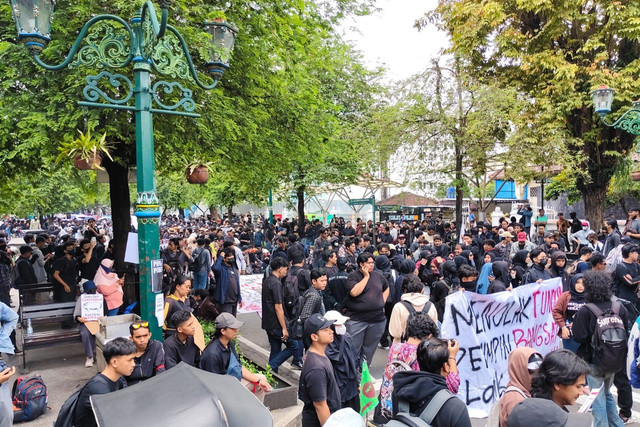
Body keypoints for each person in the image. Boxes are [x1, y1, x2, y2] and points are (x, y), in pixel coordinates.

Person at [572, 271, 628, 427]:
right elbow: (626, 331)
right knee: (607, 394)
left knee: (597, 399)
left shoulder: (586, 310)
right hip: (615, 360)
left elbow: (579, 337)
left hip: (594, 361)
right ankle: (617, 424)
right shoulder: (619, 307)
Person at [392, 337, 472, 427]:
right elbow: (454, 384)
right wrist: (452, 358)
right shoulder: (456, 408)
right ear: (445, 366)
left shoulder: (399, 390)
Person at [377, 312, 441, 423]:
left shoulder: (395, 347)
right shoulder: (422, 354)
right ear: (430, 336)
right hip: (408, 410)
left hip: (388, 404)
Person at [200, 313, 271, 403]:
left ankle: (255, 411)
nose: (236, 331)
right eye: (233, 329)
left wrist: (259, 381)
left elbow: (239, 366)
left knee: (262, 379)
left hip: (233, 381)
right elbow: (213, 385)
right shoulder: (212, 354)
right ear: (223, 331)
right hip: (222, 390)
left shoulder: (229, 344)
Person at [73, 337, 136, 427]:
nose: (133, 364)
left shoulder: (119, 380)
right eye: (130, 360)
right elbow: (113, 420)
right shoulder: (98, 388)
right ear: (114, 362)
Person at [345, 252, 389, 367]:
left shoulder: (378, 275)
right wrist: (366, 277)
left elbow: (386, 287)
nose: (371, 265)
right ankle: (352, 372)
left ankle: (363, 370)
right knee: (353, 348)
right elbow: (354, 292)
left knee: (369, 349)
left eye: (372, 263)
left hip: (376, 319)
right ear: (361, 264)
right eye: (368, 263)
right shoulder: (353, 276)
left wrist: (381, 302)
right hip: (357, 319)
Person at [298, 313, 342, 427]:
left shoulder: (319, 355)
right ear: (314, 337)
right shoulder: (316, 369)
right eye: (326, 330)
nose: (331, 331)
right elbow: (320, 405)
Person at [262, 257, 298, 373]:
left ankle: (271, 376)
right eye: (286, 269)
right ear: (280, 268)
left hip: (268, 322)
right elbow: (278, 307)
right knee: (294, 346)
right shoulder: (276, 283)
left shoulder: (267, 280)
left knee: (275, 349)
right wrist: (284, 328)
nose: (286, 271)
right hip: (276, 323)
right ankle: (270, 368)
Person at [497, 347, 543, 427]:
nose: (537, 376)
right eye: (532, 372)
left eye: (539, 372)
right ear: (519, 370)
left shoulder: (528, 391)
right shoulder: (515, 400)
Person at [324, 310, 359, 412]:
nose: (342, 326)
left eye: (342, 324)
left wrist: (357, 383)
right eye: (338, 325)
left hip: (351, 387)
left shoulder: (347, 337)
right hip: (335, 390)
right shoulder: (325, 343)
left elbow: (354, 360)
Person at [389, 274, 437, 343]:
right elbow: (434, 331)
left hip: (403, 348)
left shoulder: (399, 307)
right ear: (422, 289)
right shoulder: (431, 306)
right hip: (424, 349)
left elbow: (395, 333)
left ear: (405, 290)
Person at [552, 274, 586, 353]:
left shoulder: (590, 297)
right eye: (577, 282)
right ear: (573, 283)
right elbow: (556, 311)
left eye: (583, 283)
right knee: (570, 358)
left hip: (584, 332)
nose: (580, 286)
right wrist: (563, 326)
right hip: (569, 332)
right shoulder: (565, 296)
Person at [73, 281, 104, 368]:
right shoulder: (82, 298)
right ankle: (90, 356)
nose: (92, 291)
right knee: (85, 334)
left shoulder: (100, 297)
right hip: (85, 322)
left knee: (103, 332)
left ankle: (103, 355)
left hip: (98, 321)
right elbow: (76, 314)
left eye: (94, 289)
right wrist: (79, 319)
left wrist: (102, 317)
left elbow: (105, 311)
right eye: (90, 290)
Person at [125, 320, 166, 385]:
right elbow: (121, 377)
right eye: (138, 337)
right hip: (131, 387)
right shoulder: (125, 350)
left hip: (152, 385)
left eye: (145, 336)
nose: (142, 340)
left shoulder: (156, 346)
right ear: (131, 338)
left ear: (150, 335)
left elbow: (160, 370)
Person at [211, 247, 242, 316]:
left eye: (232, 256)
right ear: (224, 259)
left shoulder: (233, 268)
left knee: (233, 321)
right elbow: (214, 268)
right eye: (229, 257)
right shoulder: (221, 269)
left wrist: (239, 298)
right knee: (227, 321)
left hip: (234, 300)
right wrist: (220, 257)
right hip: (225, 301)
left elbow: (237, 284)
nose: (232, 258)